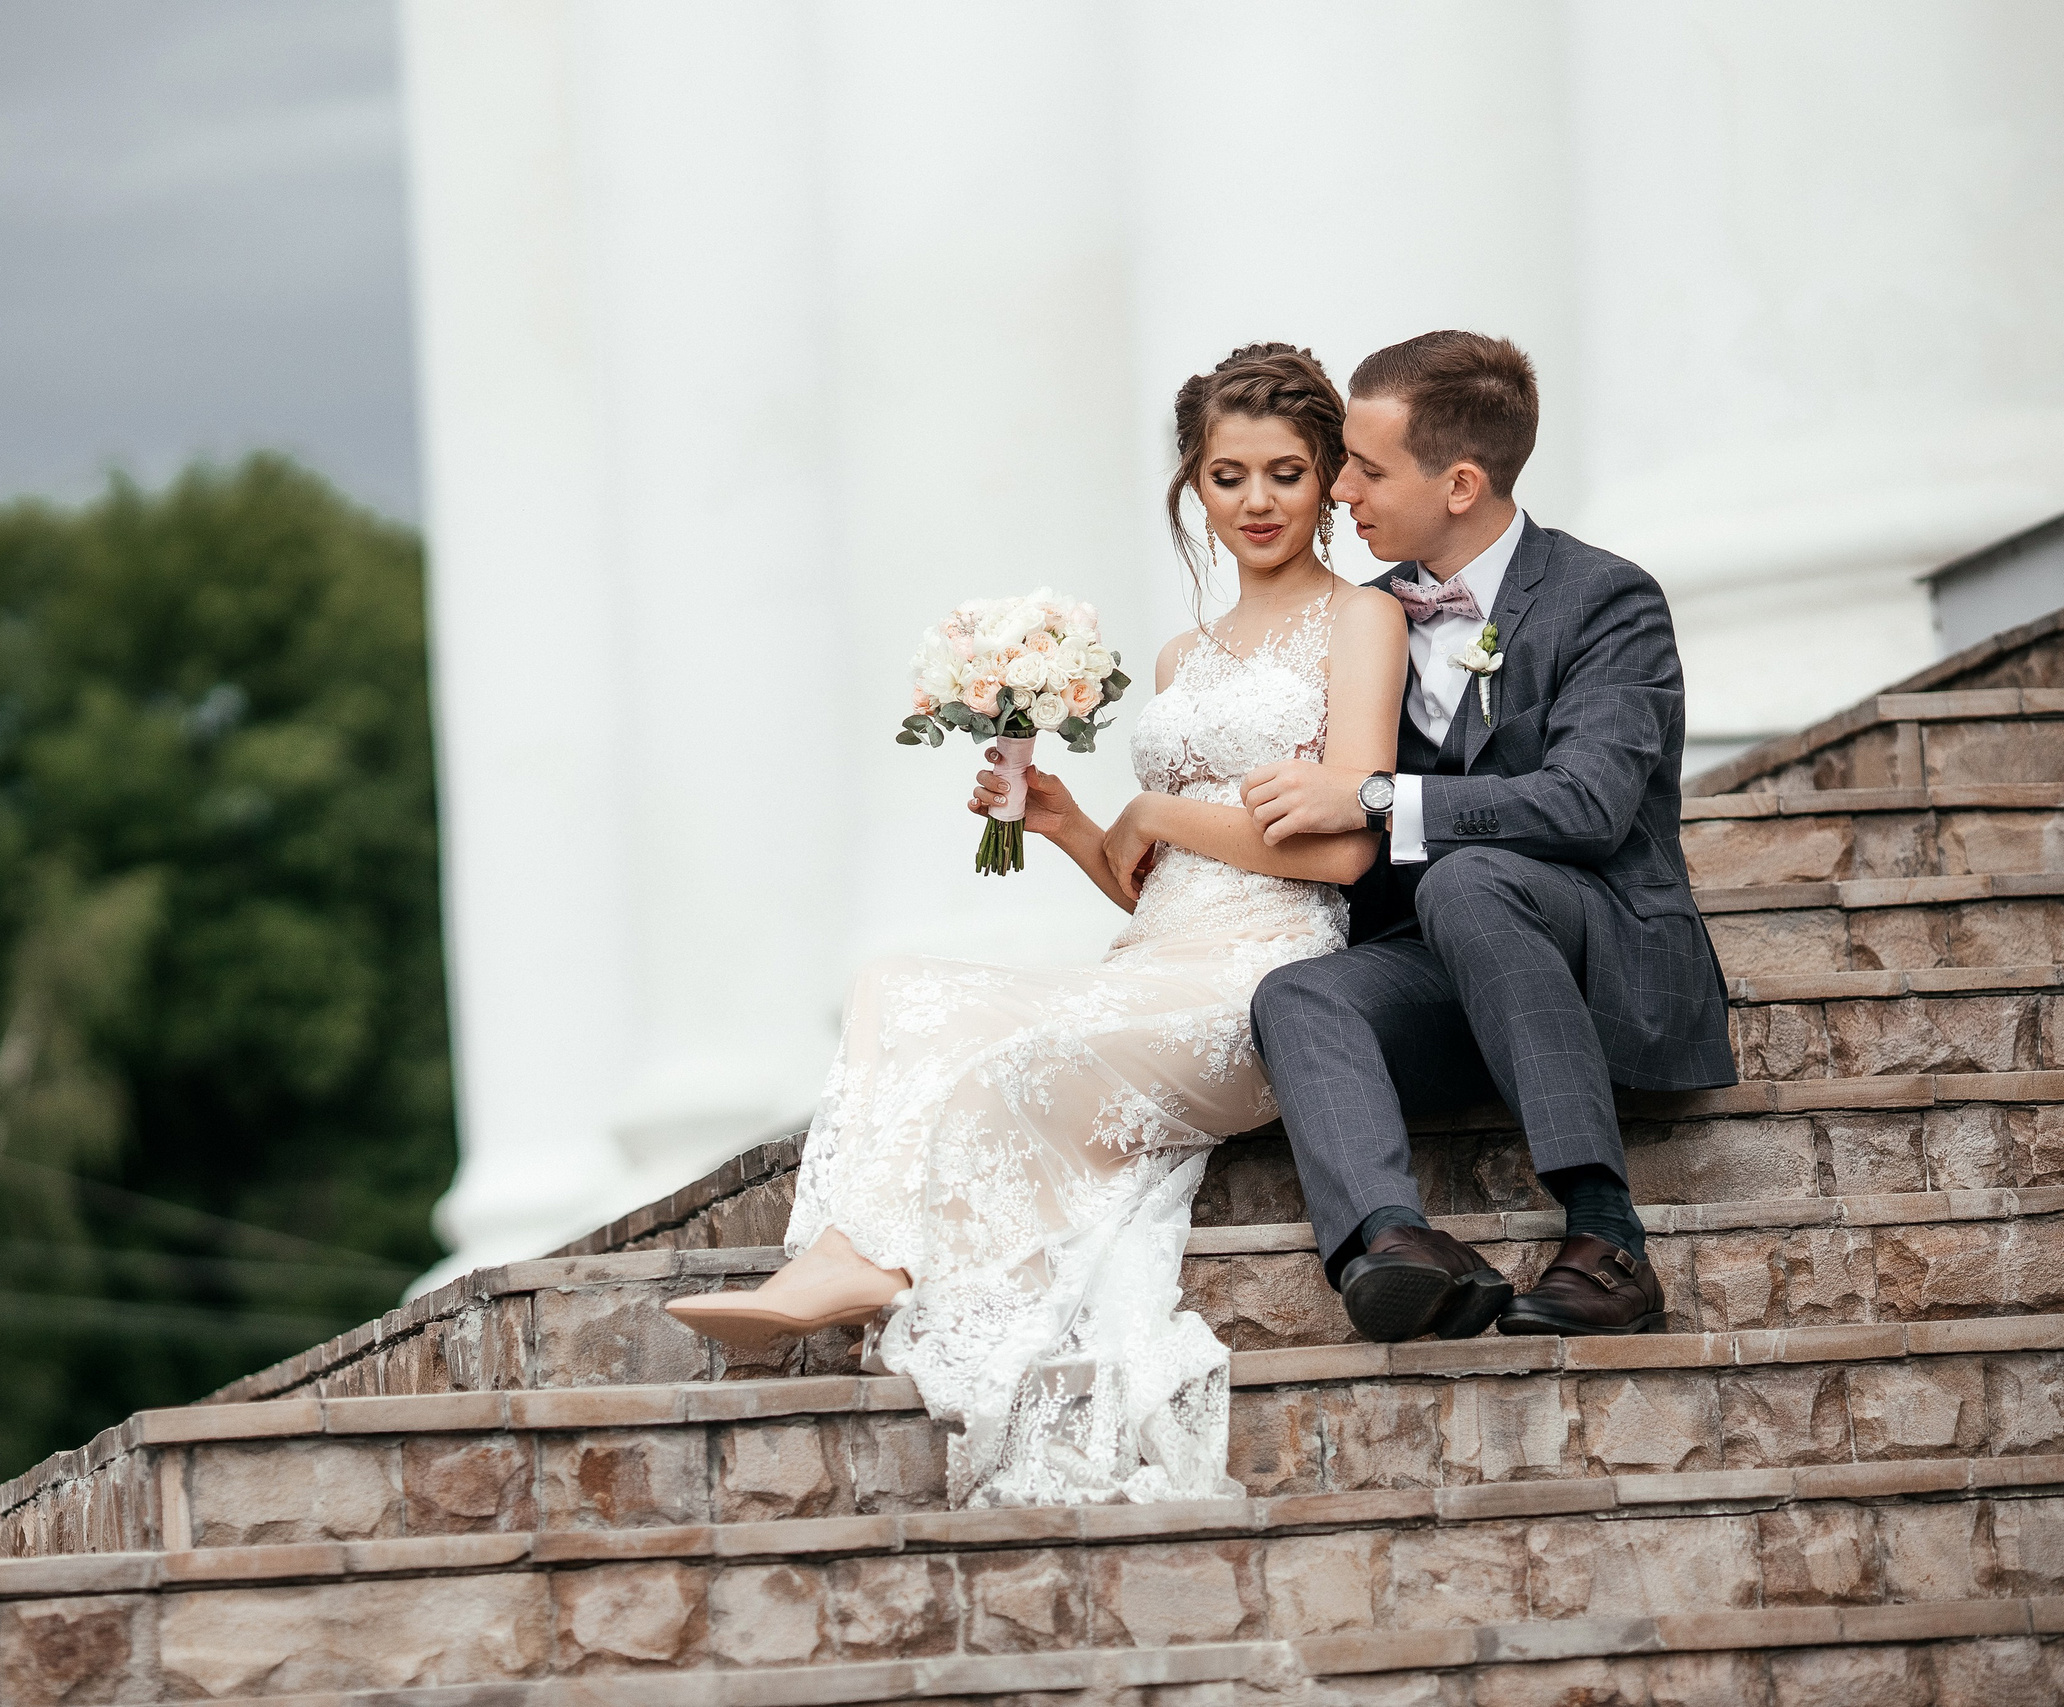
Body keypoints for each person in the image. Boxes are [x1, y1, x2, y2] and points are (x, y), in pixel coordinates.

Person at [665, 345, 1410, 1507]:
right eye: (1227, 476)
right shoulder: (1183, 656)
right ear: (1191, 486)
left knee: (998, 1053)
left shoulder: (1360, 620)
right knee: (894, 986)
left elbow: (1351, 842)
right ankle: (845, 1255)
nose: (1255, 502)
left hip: (1268, 976)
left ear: (1324, 483)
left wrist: (1160, 805)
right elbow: (1150, 878)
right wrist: (1067, 824)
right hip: (1156, 952)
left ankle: (866, 1257)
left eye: (1284, 474)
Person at [1241, 330, 1736, 1344]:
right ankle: (1392, 1246)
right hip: (1438, 973)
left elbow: (1586, 805)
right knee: (1294, 994)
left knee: (1469, 884)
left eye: (1366, 468)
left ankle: (1607, 1241)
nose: (1338, 491)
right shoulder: (1357, 620)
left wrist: (1381, 801)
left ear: (1460, 482)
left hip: (1598, 963)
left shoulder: (1606, 600)